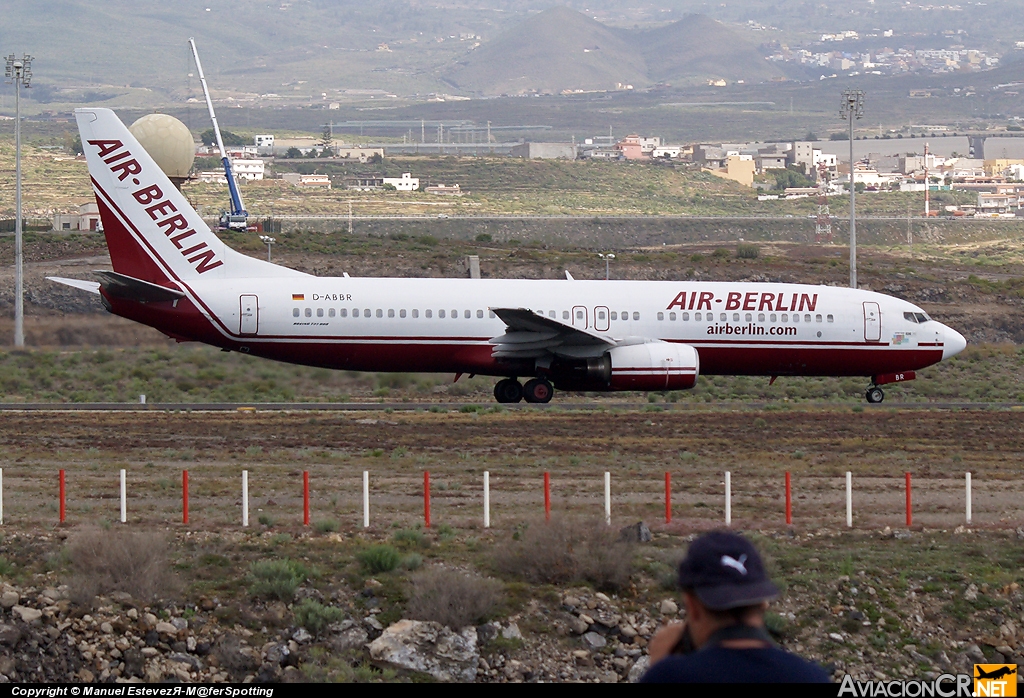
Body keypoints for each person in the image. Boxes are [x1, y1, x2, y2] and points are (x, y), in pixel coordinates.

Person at [640, 530, 831, 683]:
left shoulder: (671, 676)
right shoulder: (810, 677)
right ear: (764, 602)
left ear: (693, 606)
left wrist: (659, 665)